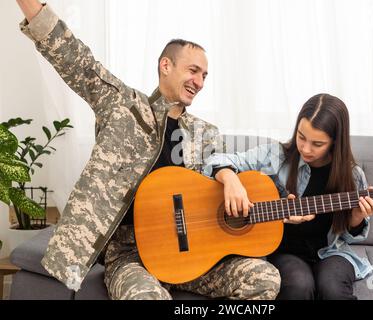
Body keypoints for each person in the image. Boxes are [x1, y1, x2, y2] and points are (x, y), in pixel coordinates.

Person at [16, 0, 280, 300]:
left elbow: (225, 186)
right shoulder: (123, 107)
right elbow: (75, 59)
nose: (199, 81)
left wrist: (233, 177)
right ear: (165, 65)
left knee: (265, 278)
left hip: (194, 259)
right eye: (193, 70)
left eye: (205, 75)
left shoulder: (208, 135)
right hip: (131, 256)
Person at [203, 93, 373, 300]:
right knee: (299, 286)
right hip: (284, 252)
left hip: (331, 251)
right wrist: (230, 179)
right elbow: (215, 159)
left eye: (317, 144)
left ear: (335, 142)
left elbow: (349, 235)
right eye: (301, 137)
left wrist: (356, 218)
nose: (305, 149)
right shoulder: (275, 155)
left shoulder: (352, 176)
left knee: (333, 289)